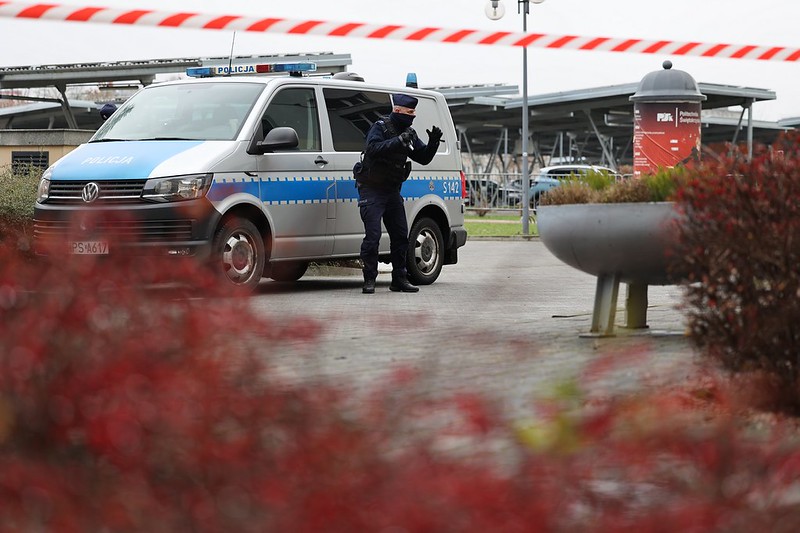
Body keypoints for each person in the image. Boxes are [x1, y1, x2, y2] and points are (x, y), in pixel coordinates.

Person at [354, 93, 443, 294]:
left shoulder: (408, 132)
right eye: (410, 112)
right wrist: (398, 141)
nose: (413, 116)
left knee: (401, 235)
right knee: (373, 236)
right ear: (398, 110)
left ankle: (399, 279)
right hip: (372, 189)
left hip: (392, 191)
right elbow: (373, 149)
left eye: (414, 113)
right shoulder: (381, 127)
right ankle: (369, 279)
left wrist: (433, 144)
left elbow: (423, 158)